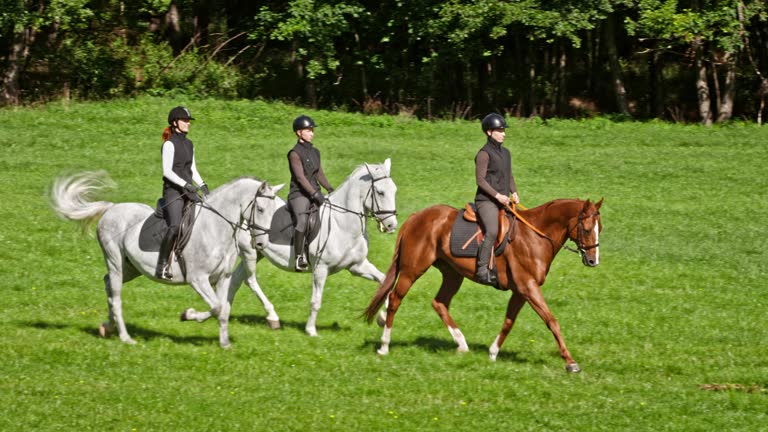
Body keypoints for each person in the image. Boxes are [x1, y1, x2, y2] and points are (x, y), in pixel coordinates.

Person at [155, 106, 209, 280]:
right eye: (185, 121)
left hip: (189, 191)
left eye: (188, 121)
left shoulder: (189, 143)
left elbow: (192, 168)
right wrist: (185, 184)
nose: (188, 124)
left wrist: (202, 184)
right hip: (173, 192)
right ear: (175, 123)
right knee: (175, 226)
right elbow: (167, 172)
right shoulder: (169, 144)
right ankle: (161, 265)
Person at [474, 112, 519, 285]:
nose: (503, 133)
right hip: (486, 201)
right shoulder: (483, 154)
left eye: (503, 130)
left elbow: (509, 175)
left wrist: (513, 191)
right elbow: (480, 180)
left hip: (504, 200)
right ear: (489, 132)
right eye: (499, 130)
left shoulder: (506, 153)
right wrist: (498, 196)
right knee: (492, 231)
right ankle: (482, 269)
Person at [287, 114, 334, 271]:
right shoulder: (294, 153)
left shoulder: (316, 152)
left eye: (312, 130)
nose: (312, 133)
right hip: (299, 194)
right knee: (302, 221)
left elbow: (319, 174)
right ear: (299, 133)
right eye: (308, 130)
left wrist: (330, 188)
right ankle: (299, 257)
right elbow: (300, 178)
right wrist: (314, 194)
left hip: (315, 192)